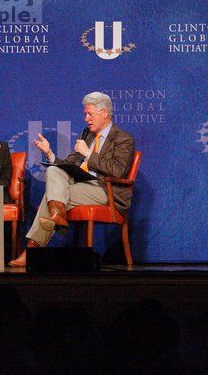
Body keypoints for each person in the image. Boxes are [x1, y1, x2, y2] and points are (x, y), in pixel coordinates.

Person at [9, 92, 135, 267]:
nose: (86, 118)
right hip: (80, 183)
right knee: (54, 170)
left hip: (105, 190)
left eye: (90, 114)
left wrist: (89, 154)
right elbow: (68, 164)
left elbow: (117, 171)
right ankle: (56, 215)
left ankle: (32, 249)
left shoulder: (123, 139)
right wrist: (49, 153)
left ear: (104, 113)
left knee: (50, 198)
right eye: (85, 114)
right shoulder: (88, 135)